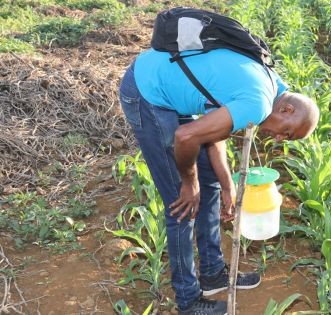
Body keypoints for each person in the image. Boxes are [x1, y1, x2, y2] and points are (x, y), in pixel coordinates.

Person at [119, 47, 319, 315]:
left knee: (210, 178)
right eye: (287, 132)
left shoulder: (274, 84)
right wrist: (189, 183)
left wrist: (226, 185)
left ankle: (213, 273)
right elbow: (186, 137)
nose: (279, 139)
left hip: (171, 88)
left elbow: (214, 133)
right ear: (286, 108)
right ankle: (188, 300)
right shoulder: (258, 102)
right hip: (147, 91)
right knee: (181, 203)